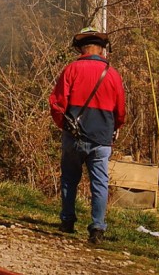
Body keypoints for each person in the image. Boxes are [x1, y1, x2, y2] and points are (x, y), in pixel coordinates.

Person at [49, 27, 126, 245]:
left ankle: (67, 221)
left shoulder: (71, 69)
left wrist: (63, 124)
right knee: (100, 182)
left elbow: (56, 102)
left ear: (82, 48)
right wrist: (116, 126)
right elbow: (120, 109)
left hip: (73, 135)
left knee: (69, 179)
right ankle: (97, 229)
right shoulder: (112, 73)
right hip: (101, 137)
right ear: (102, 50)